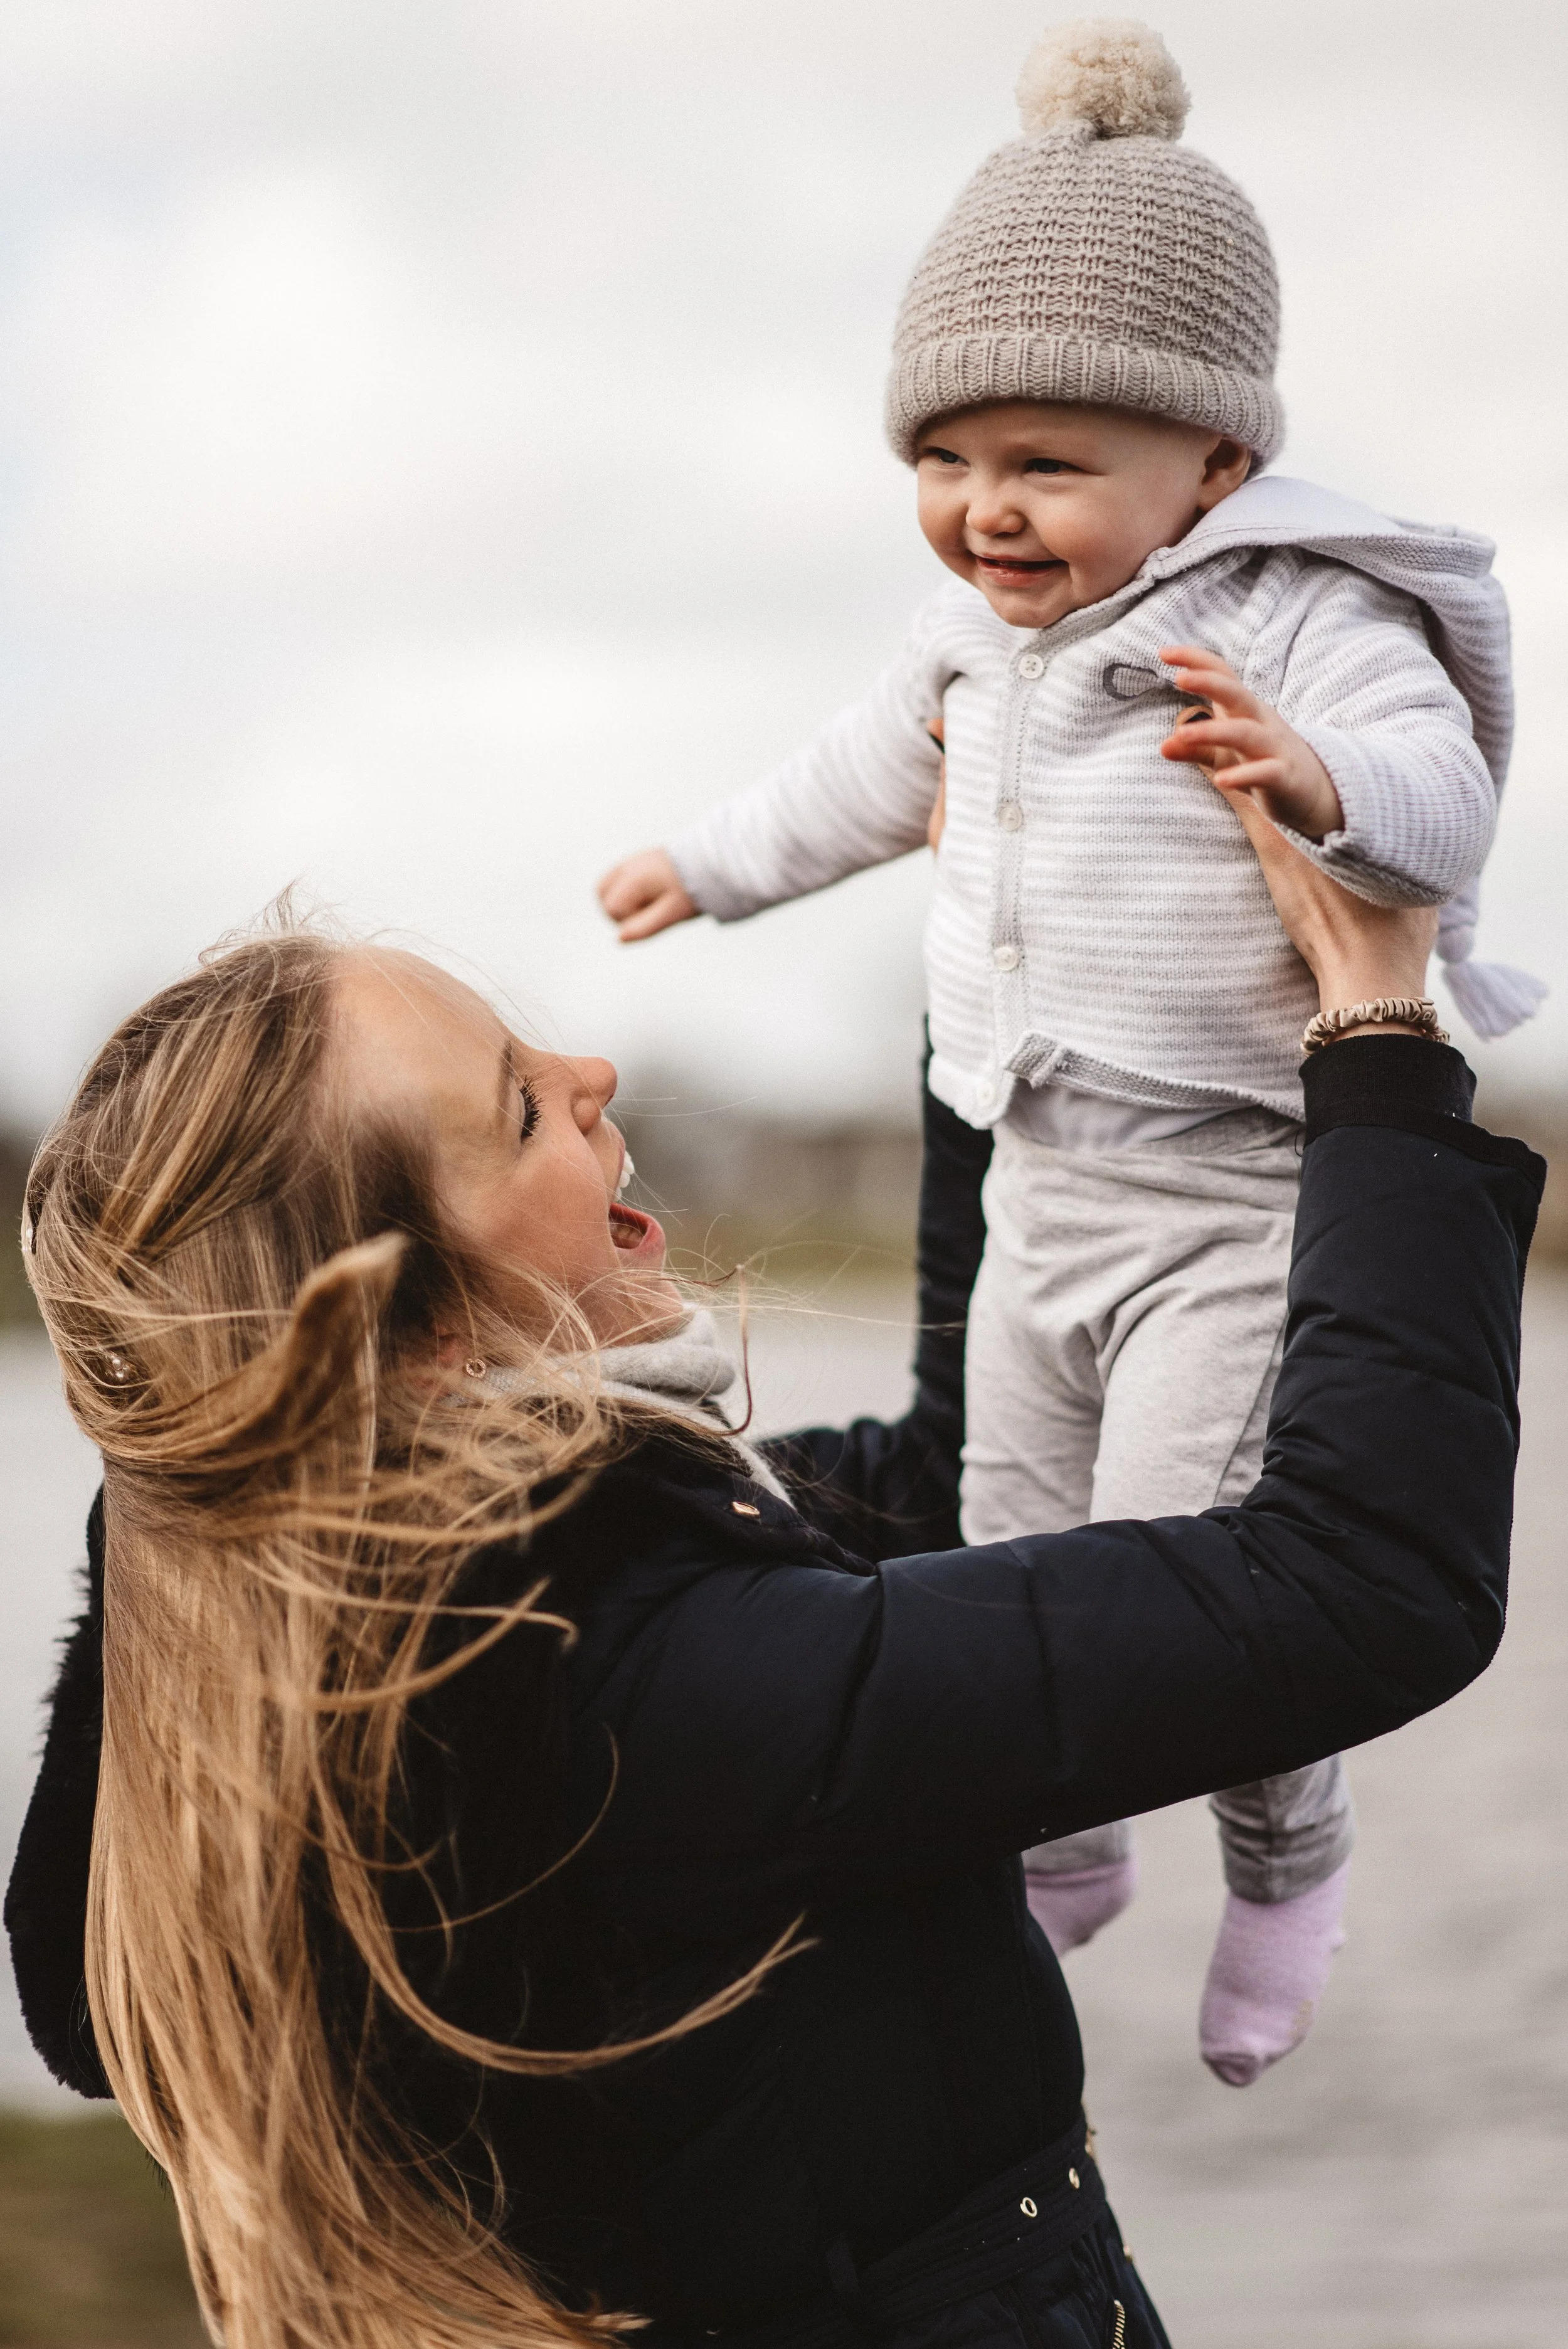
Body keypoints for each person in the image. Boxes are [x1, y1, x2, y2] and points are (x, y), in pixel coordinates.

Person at [4, 803, 1544, 2347]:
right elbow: (1356, 1583)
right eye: (522, 1112)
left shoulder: (314, 1618)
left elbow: (966, 1464)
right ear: (419, 1339)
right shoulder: (645, 1691)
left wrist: (993, 1010)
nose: (590, 1074)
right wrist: (1380, 1037)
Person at [594, 18, 1545, 2084]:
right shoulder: (971, 640)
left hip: (1226, 1198)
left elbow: (1446, 797)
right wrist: (710, 866)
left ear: (1209, 459)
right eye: (945, 461)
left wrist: (1316, 778)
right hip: (1040, 1181)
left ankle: (1288, 1858)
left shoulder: (1289, 612)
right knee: (1010, 1550)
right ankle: (1068, 1837)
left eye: (1044, 465)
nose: (983, 513)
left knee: (1197, 1576)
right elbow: (857, 779)